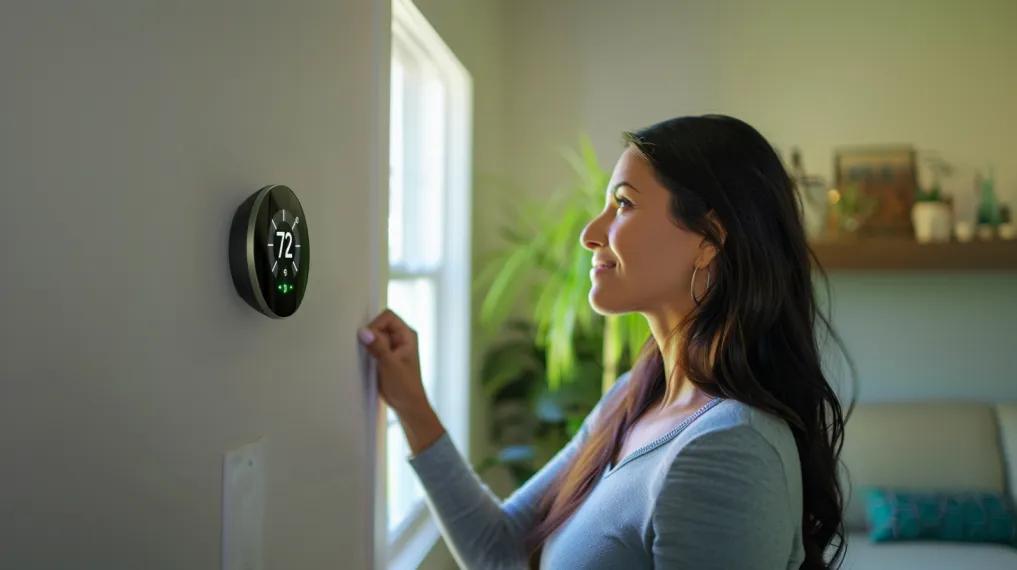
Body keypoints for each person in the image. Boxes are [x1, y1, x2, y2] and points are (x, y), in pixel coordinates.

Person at [358, 114, 856, 569]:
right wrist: (411, 403)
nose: (590, 234)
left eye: (623, 204)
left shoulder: (730, 451)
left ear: (708, 240)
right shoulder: (635, 398)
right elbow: (500, 550)